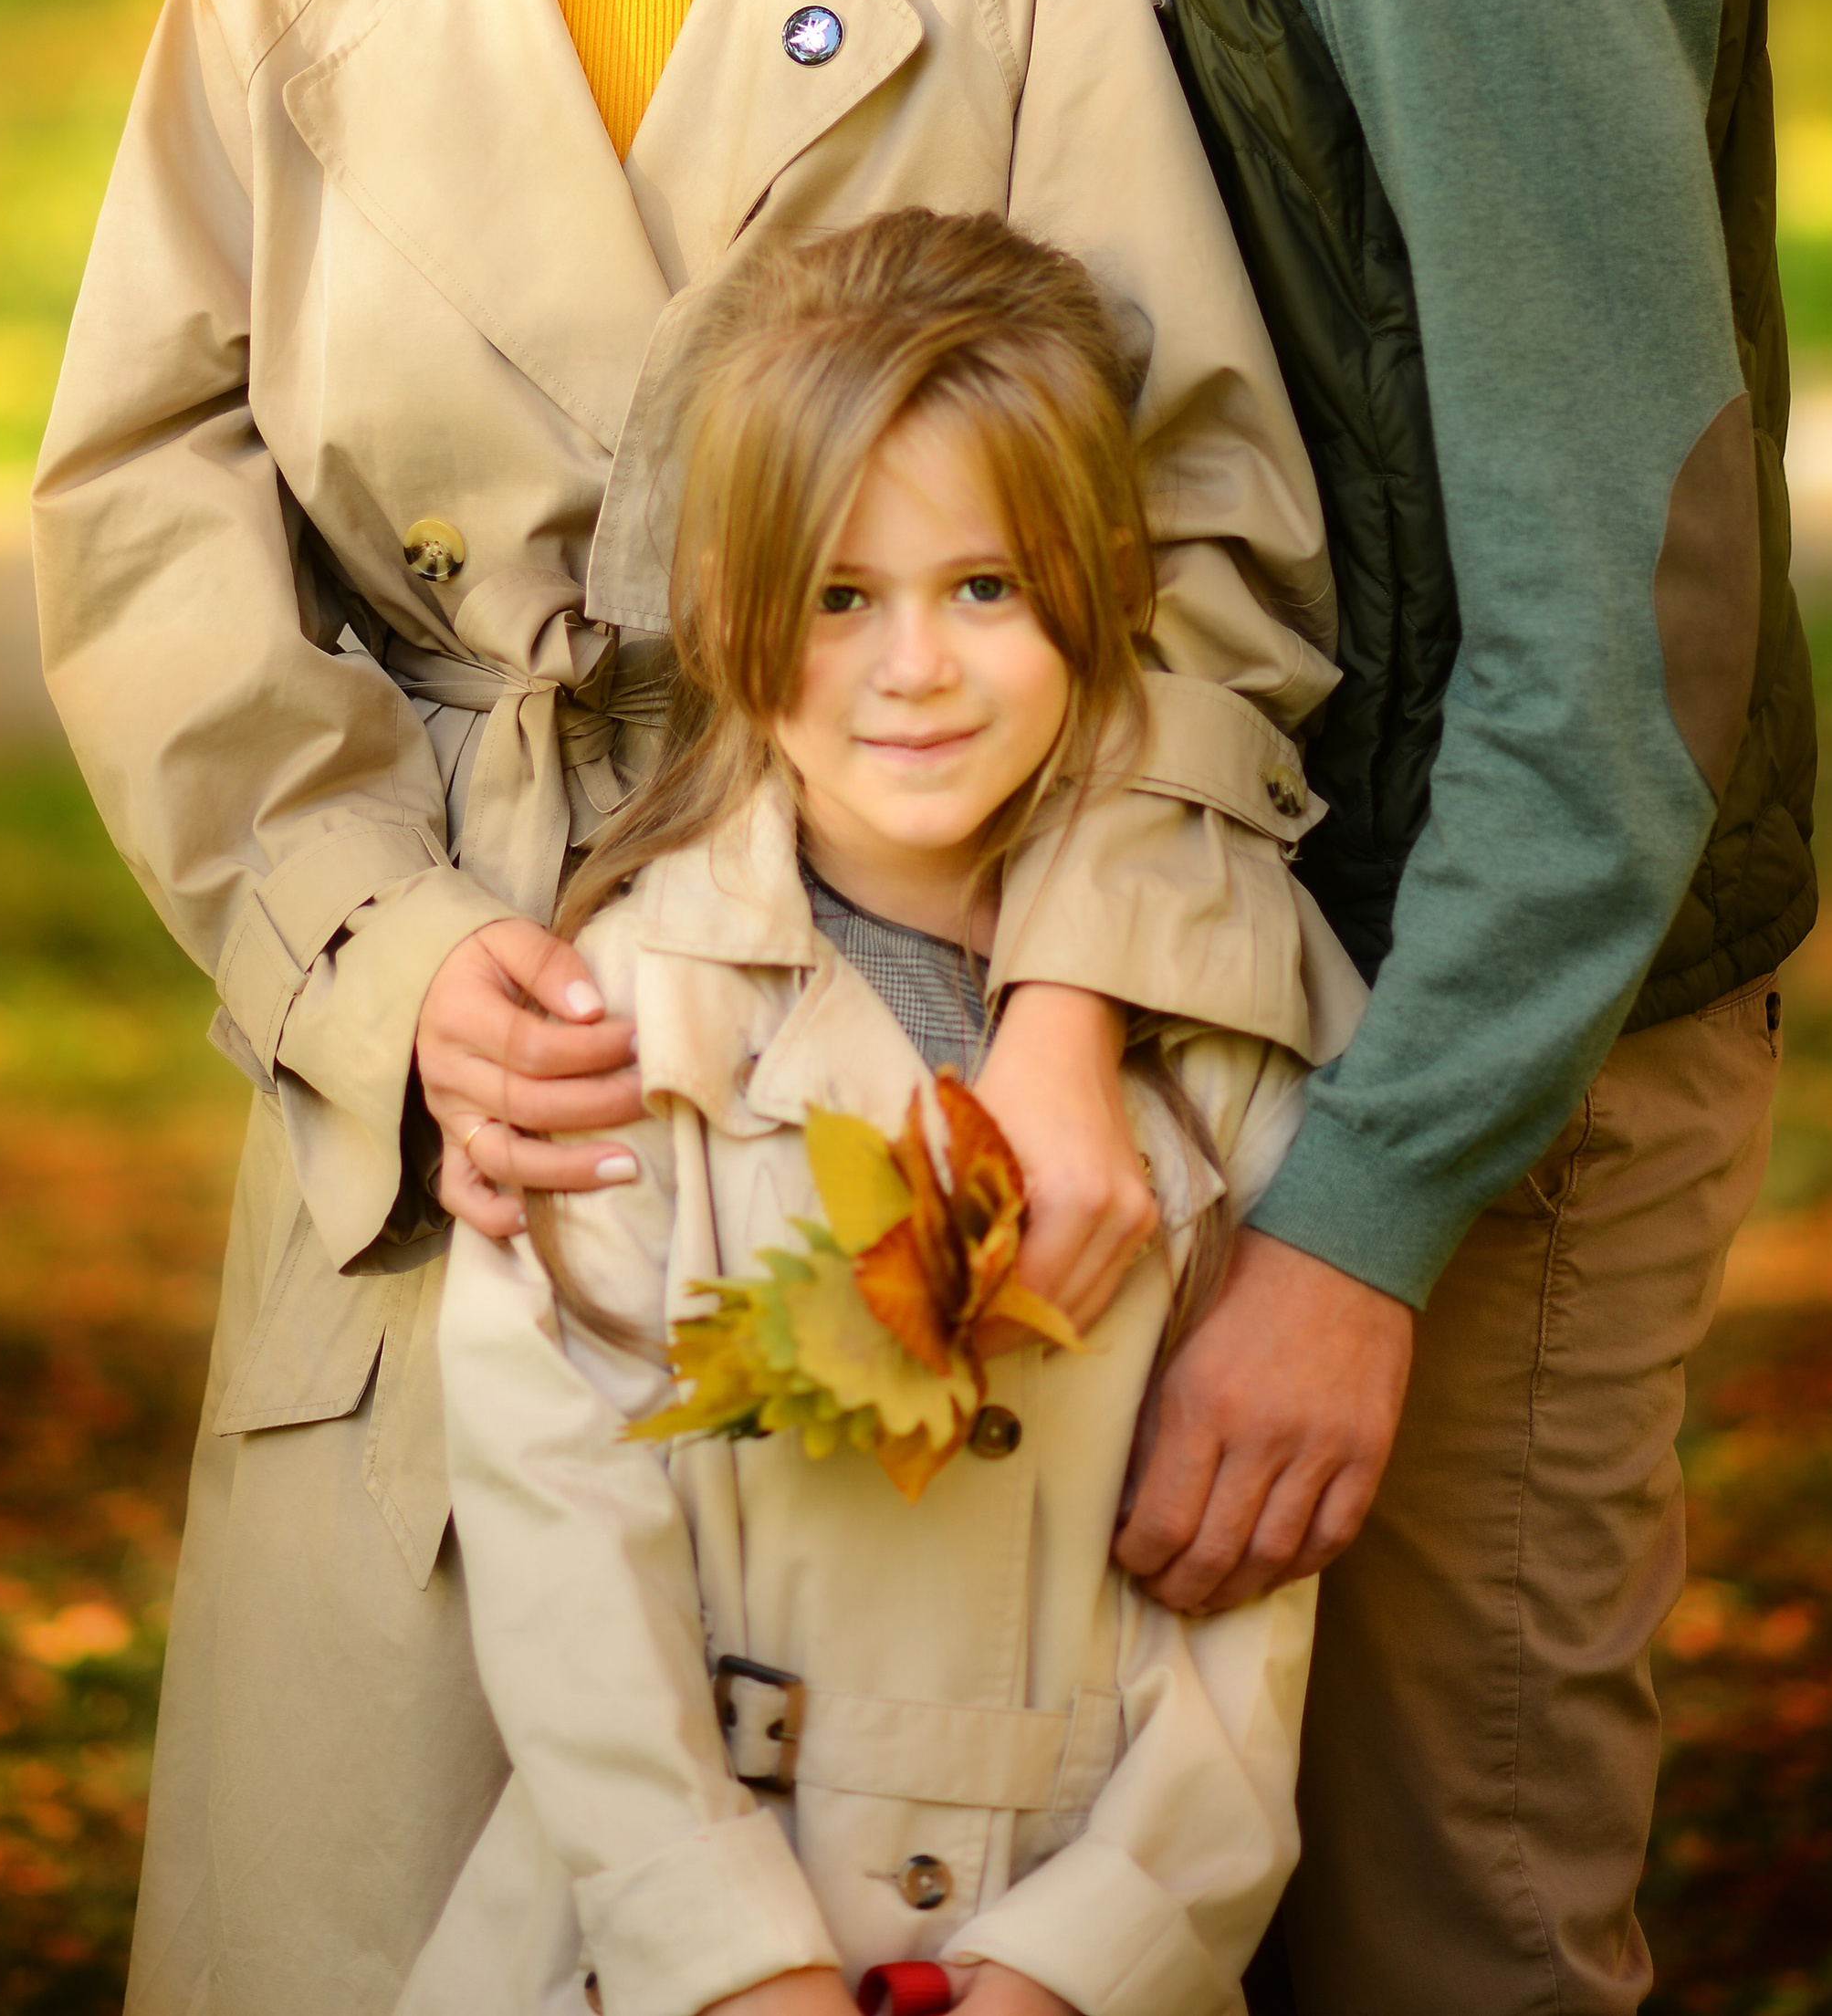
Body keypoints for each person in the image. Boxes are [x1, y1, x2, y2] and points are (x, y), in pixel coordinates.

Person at [31, 0, 1341, 2013]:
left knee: (913, 1900)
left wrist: (1083, 1009)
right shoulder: (279, 1)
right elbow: (145, 551)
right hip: (497, 1093)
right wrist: (386, 972)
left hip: (937, 1073)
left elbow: (1208, 512)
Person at [733, 0, 1815, 2016]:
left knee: (1445, 1933)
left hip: (1517, 1079)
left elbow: (1632, 627)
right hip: (1328, 1010)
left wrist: (1362, 1229)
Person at [403, 208, 1366, 2016]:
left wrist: (1079, 1964)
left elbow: (1247, 1634)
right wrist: (736, 1965)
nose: (913, 667)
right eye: (840, 599)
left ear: (1099, 587)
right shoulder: (623, 1018)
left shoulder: (1218, 1038)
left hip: (1060, 1929)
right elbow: (562, 1549)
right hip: (658, 1958)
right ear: (728, 610)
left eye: (983, 588)